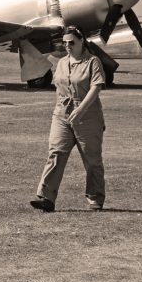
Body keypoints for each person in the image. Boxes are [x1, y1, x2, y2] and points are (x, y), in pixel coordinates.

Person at [30, 25, 107, 212]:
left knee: (92, 159)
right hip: (62, 113)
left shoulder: (92, 62)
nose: (67, 46)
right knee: (56, 152)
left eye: (71, 42)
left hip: (87, 114)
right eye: (64, 43)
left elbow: (96, 88)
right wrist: (60, 110)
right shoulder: (62, 62)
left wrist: (80, 109)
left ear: (82, 41)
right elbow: (58, 86)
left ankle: (95, 198)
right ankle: (46, 197)